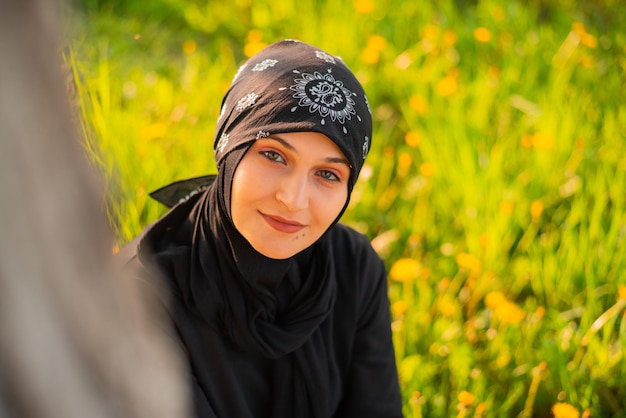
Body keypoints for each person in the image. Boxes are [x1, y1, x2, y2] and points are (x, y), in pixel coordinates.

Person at [118, 39, 402, 418]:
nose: (294, 199)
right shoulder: (139, 301)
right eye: (273, 155)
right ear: (230, 149)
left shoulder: (353, 267)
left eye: (327, 174)